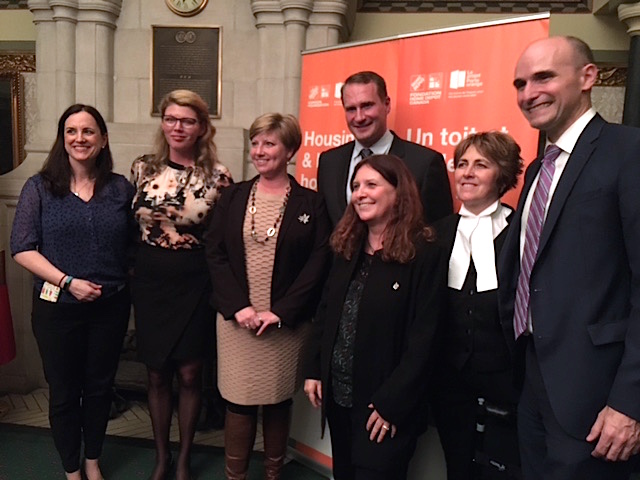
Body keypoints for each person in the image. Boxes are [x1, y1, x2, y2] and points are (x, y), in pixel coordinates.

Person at [498, 36, 640, 479]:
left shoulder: (628, 151)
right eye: (520, 83)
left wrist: (629, 403)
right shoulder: (540, 168)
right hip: (534, 382)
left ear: (588, 77)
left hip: (598, 398)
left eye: (543, 77)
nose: (528, 93)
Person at [10, 104, 134, 480]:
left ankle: (93, 461)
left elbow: (133, 246)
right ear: (63, 139)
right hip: (57, 308)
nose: (80, 139)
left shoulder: (120, 189)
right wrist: (67, 282)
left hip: (109, 307)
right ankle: (71, 469)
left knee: (99, 388)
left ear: (103, 139)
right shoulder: (40, 187)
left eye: (88, 131)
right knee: (64, 392)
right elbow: (22, 247)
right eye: (71, 132)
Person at [304, 154, 447, 480]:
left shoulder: (424, 253)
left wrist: (392, 404)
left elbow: (426, 339)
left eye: (371, 184)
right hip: (339, 397)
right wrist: (315, 369)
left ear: (399, 193)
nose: (360, 193)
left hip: (384, 408)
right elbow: (326, 312)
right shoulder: (346, 246)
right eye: (355, 186)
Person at [205, 113, 331, 480]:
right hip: (236, 322)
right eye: (256, 143)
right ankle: (236, 476)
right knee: (239, 402)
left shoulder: (312, 203)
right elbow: (214, 253)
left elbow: (318, 262)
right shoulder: (233, 196)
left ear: (290, 149)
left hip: (285, 326)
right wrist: (238, 307)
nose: (260, 151)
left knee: (277, 400)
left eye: (269, 143)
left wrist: (281, 312)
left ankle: (274, 474)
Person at [130, 89, 231, 480]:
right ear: (162, 123)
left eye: (187, 120)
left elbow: (221, 238)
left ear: (202, 127)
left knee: (190, 373)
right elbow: (129, 225)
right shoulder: (142, 168)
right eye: (171, 118)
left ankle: (185, 457)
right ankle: (161, 457)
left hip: (195, 282)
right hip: (150, 280)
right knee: (156, 373)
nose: (178, 127)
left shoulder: (218, 176)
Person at [430, 132, 523, 479]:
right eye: (462, 164)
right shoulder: (435, 234)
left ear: (502, 174)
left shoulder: (521, 231)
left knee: (505, 467)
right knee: (457, 463)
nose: (467, 172)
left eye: (481, 165)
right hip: (449, 377)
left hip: (507, 377)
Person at [317, 70, 452, 227]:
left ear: (387, 104)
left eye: (367, 106)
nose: (359, 117)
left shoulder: (425, 164)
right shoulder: (329, 162)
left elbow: (439, 232)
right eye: (351, 109)